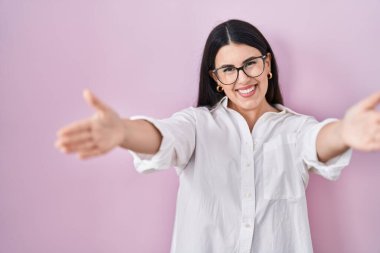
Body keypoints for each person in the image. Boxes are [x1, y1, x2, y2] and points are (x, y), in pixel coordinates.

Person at [55, 19, 380, 253]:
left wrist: (345, 132)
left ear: (267, 65)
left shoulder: (295, 129)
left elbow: (318, 140)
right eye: (228, 70)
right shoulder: (198, 125)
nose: (243, 79)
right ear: (216, 79)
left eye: (250, 63)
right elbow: (164, 137)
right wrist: (124, 131)